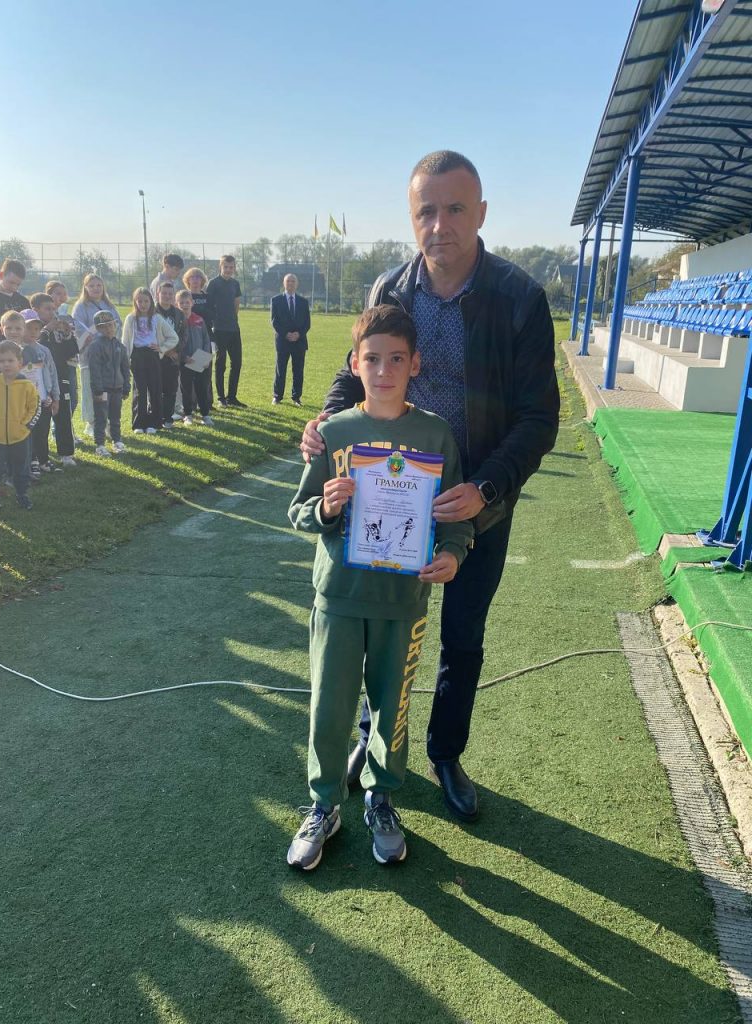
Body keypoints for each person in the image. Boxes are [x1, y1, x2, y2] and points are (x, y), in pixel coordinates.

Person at [300, 151, 560, 823]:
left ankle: (446, 752)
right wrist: (326, 422)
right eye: (426, 211)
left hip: (473, 503)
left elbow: (539, 416)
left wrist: (485, 488)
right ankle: (374, 744)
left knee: (462, 635)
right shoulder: (390, 287)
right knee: (381, 628)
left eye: (454, 209)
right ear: (411, 217)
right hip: (387, 498)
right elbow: (353, 369)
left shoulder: (519, 297)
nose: (439, 225)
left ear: (481, 213)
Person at [287, 305, 473, 871]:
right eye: (372, 359)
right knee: (329, 708)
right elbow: (299, 510)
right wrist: (325, 509)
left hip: (402, 603)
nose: (384, 370)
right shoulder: (334, 432)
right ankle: (324, 804)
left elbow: (454, 516)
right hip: (340, 597)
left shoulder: (435, 434)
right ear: (354, 363)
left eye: (396, 359)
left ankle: (380, 797)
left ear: (415, 364)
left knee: (392, 709)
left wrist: (452, 553)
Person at [0, 340, 41, 512]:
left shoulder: (27, 386)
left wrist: (25, 426)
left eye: (10, 360)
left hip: (20, 437)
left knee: (21, 469)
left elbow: (35, 407)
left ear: (19, 362)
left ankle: (22, 494)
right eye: (1, 361)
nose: (6, 364)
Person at [121, 287, 178, 434]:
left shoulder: (157, 318)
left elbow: (173, 337)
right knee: (140, 390)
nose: (143, 304)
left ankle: (154, 422)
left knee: (155, 389)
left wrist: (162, 348)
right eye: (139, 301)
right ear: (135, 302)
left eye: (146, 301)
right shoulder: (130, 319)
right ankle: (139, 423)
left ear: (151, 302)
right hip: (137, 356)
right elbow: (125, 342)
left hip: (152, 355)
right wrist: (125, 361)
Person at [31, 292, 78, 467]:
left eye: (53, 309)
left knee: (64, 415)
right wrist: (46, 330)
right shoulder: (33, 329)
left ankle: (66, 454)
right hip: (40, 381)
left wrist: (67, 334)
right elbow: (37, 348)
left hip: (60, 377)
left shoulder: (58, 329)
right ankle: (39, 455)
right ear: (36, 310)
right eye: (47, 309)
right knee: (40, 419)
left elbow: (72, 351)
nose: (52, 312)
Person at [72, 274, 122, 439]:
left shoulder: (109, 305)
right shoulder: (80, 306)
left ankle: (105, 422)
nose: (95, 288)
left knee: (106, 390)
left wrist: (110, 334)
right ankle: (91, 423)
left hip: (108, 356)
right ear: (85, 287)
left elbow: (118, 324)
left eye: (99, 285)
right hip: (90, 356)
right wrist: (94, 333)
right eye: (91, 285)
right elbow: (78, 328)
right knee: (90, 389)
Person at [13, 310, 60, 475]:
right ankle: (32, 460)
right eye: (28, 328)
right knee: (29, 431)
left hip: (44, 398)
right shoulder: (16, 350)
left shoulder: (44, 351)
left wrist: (55, 397)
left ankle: (43, 460)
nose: (33, 332)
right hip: (24, 401)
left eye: (36, 328)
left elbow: (53, 374)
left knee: (43, 430)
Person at [87, 310, 130, 457]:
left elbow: (125, 368)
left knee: (115, 417)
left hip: (117, 388)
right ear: (98, 329)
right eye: (104, 326)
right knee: (101, 417)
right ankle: (100, 445)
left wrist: (126, 387)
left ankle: (117, 441)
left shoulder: (120, 346)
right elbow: (95, 370)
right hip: (103, 390)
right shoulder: (95, 346)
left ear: (115, 325)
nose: (109, 329)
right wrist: (98, 390)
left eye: (111, 325)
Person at [206, 255, 244, 408]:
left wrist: (232, 319)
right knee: (221, 364)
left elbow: (236, 304)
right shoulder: (213, 283)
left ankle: (232, 397)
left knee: (237, 363)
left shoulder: (235, 283)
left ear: (234, 268)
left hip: (233, 328)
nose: (228, 270)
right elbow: (208, 306)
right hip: (219, 329)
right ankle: (221, 398)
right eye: (226, 267)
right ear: (220, 267)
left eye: (231, 267)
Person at [270, 273, 310, 407]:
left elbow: (307, 323)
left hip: (299, 341)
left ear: (297, 284)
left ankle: (296, 397)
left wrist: (298, 334)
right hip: (283, 341)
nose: (290, 283)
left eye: (293, 281)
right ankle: (277, 396)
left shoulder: (303, 302)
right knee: (280, 370)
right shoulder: (276, 300)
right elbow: (274, 321)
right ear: (284, 283)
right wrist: (286, 334)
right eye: (288, 281)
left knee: (298, 370)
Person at [175, 290, 213, 426]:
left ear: (192, 303)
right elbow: (175, 343)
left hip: (200, 360)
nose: (185, 305)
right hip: (185, 361)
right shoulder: (177, 322)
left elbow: (206, 339)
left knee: (201, 388)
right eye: (181, 303)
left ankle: (205, 415)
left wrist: (205, 358)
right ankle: (188, 415)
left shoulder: (199, 319)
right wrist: (184, 357)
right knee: (186, 389)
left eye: (187, 302)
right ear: (177, 304)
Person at [154, 281, 185, 428]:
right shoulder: (151, 312)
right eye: (164, 293)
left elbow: (183, 336)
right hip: (156, 357)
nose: (167, 296)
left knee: (171, 389)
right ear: (157, 294)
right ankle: (155, 417)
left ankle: (167, 418)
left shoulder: (179, 313)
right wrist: (165, 350)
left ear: (173, 296)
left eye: (170, 294)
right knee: (155, 389)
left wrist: (175, 351)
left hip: (173, 358)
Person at [0, 259, 30, 340]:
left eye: (18, 284)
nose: (14, 287)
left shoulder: (23, 301)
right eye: (11, 282)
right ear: (1, 275)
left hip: (20, 345)